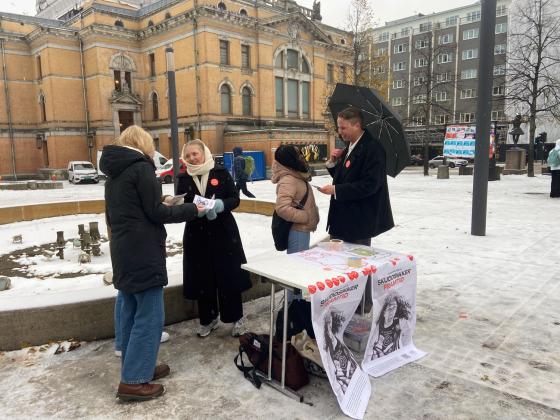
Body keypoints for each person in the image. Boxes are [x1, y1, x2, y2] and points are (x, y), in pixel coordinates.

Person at [100, 125, 205, 401]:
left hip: (124, 248)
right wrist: (194, 209)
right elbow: (156, 213)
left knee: (131, 309)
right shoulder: (141, 168)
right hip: (143, 249)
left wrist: (162, 199)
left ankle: (137, 366)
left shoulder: (116, 171)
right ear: (143, 144)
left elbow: (129, 207)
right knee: (149, 315)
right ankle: (134, 380)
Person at [317, 107, 395, 312]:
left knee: (357, 264)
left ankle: (362, 305)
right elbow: (345, 177)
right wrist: (334, 164)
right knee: (343, 264)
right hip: (343, 220)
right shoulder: (351, 146)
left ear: (357, 125)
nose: (340, 132)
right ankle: (347, 301)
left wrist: (336, 189)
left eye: (343, 127)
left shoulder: (372, 148)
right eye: (339, 127)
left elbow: (370, 184)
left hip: (360, 220)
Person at [177, 139, 252, 338]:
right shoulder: (183, 178)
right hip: (197, 234)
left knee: (228, 274)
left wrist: (219, 205)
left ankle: (237, 317)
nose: (192, 158)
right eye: (188, 155)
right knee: (203, 277)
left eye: (195, 153)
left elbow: (234, 199)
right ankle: (208, 319)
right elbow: (180, 204)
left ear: (204, 153)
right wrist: (192, 210)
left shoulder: (220, 172)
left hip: (223, 233)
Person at [271, 145, 319, 301]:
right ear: (290, 159)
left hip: (301, 230)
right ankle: (293, 307)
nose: (301, 157)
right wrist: (305, 217)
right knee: (296, 272)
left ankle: (294, 304)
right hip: (297, 230)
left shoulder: (295, 175)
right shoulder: (288, 179)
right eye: (298, 154)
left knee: (298, 269)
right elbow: (282, 208)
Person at [370, 293, 411, 360]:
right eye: (389, 308)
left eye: (394, 307)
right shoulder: (378, 326)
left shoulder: (399, 322)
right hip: (378, 356)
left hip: (393, 355)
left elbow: (408, 332)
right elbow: (371, 345)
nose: (392, 310)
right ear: (383, 312)